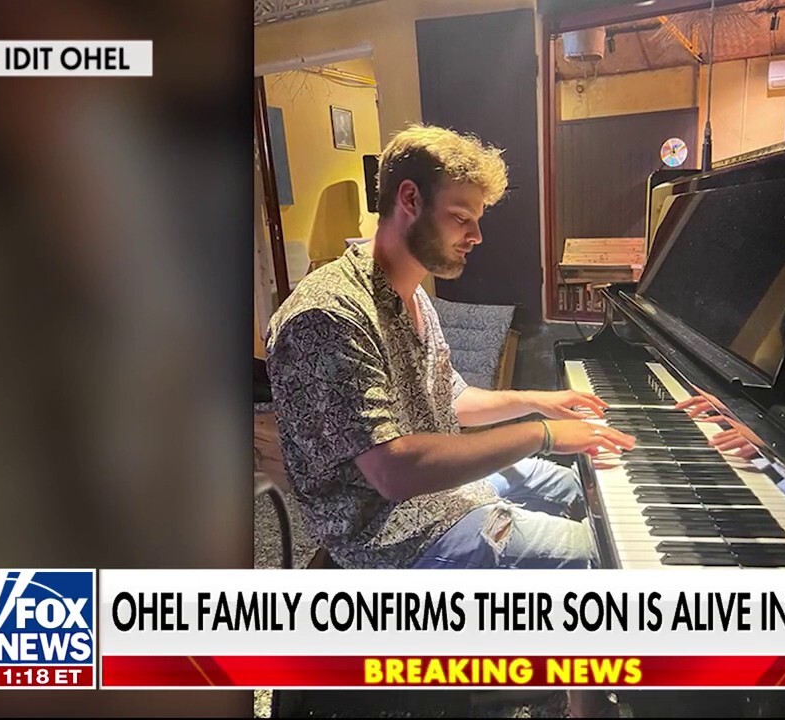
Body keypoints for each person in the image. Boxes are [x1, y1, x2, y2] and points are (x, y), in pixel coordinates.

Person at [265, 124, 636, 574]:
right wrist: (543, 434)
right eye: (461, 218)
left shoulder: (412, 294)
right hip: (392, 535)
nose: (476, 235)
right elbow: (394, 472)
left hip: (445, 496)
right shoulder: (327, 316)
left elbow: (451, 399)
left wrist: (539, 401)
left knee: (584, 485)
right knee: (604, 558)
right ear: (410, 199)